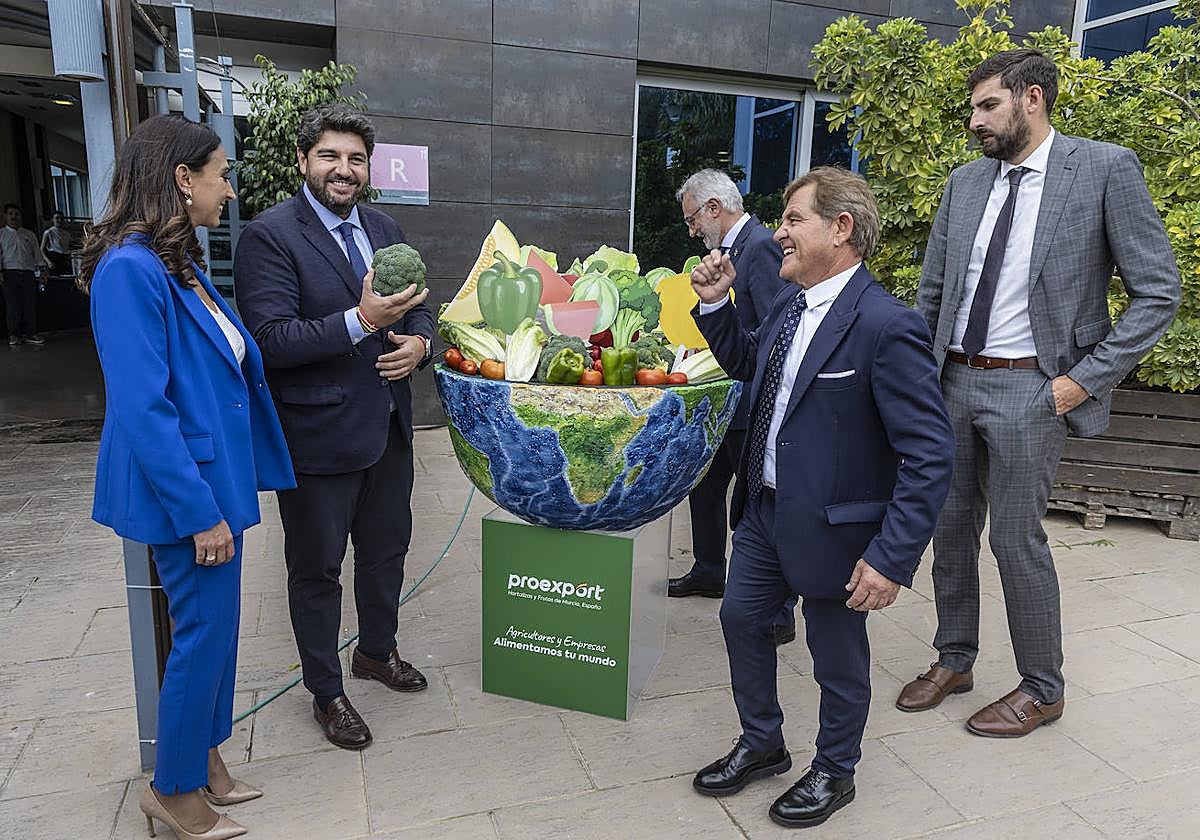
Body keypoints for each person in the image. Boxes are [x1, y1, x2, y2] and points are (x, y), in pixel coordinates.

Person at [902, 49, 1181, 737]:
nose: (975, 121)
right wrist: (915, 377)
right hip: (951, 382)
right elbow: (934, 291)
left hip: (1034, 388)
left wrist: (1078, 382)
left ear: (1032, 98)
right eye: (973, 108)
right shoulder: (966, 183)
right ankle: (955, 656)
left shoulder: (1105, 168)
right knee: (950, 527)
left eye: (987, 105)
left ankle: (1042, 687)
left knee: (1016, 540)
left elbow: (1158, 292)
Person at [689, 167, 953, 829]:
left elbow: (929, 453)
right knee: (741, 621)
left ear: (841, 228)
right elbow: (751, 362)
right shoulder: (788, 300)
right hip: (765, 512)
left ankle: (836, 770)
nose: (779, 232)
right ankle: (763, 742)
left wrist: (892, 558)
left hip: (838, 531)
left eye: (794, 219)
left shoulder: (886, 325)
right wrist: (718, 303)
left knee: (836, 659)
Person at [83, 114, 295, 840]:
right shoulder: (128, 270)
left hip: (215, 478)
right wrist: (199, 511)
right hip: (186, 491)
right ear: (183, 179)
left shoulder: (177, 261)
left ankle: (204, 758)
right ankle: (170, 790)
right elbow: (142, 409)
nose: (229, 191)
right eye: (222, 174)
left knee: (220, 630)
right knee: (202, 630)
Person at [235, 103, 434, 751]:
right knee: (317, 570)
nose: (343, 170)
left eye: (354, 159)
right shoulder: (269, 236)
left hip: (388, 429)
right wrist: (365, 322)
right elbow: (269, 339)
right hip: (318, 438)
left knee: (386, 554)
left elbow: (418, 305)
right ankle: (326, 691)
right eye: (329, 156)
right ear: (302, 161)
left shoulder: (383, 225)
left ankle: (376, 652)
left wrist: (419, 347)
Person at [669, 171, 788, 618]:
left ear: (715, 208)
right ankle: (708, 569)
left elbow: (774, 331)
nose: (692, 229)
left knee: (759, 504)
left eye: (693, 219)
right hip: (724, 404)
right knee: (703, 485)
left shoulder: (759, 246)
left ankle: (778, 611)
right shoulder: (734, 249)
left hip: (749, 404)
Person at [1, 203, 51, 345]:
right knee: (13, 306)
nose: (13, 217)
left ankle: (31, 333)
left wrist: (42, 272)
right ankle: (13, 335)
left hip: (28, 273)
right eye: (10, 214)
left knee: (29, 304)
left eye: (16, 214)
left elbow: (37, 255)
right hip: (9, 273)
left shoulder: (29, 235)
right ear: (5, 216)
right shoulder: (2, 235)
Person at [41, 211, 73, 276]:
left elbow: (70, 246)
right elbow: (42, 249)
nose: (59, 220)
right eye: (57, 218)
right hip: (54, 258)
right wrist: (48, 262)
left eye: (61, 218)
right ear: (53, 220)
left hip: (65, 258)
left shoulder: (67, 234)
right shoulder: (48, 232)